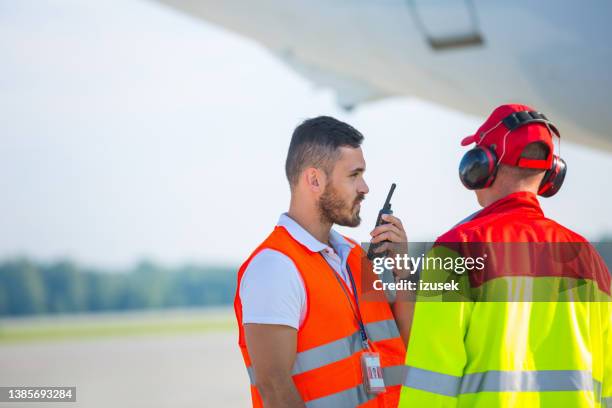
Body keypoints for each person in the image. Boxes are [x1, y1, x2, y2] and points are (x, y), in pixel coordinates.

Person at [398, 104, 611, 407]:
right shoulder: (588, 258)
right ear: (551, 174)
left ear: (480, 167)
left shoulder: (455, 249)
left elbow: (430, 381)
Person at [234, 116, 411, 407]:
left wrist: (403, 273)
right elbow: (274, 389)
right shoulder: (275, 267)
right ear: (314, 180)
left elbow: (406, 347)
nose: (365, 187)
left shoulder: (355, 256)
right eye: (354, 175)